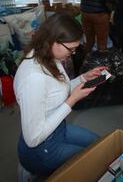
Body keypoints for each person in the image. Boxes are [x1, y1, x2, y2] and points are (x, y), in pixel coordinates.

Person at [15, 13, 105, 177]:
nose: (72, 53)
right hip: (42, 149)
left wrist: (84, 78)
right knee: (95, 158)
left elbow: (56, 91)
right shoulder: (34, 79)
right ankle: (33, 171)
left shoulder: (48, 56)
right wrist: (71, 102)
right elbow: (32, 139)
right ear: (53, 41)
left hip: (57, 129)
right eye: (71, 49)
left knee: (99, 143)